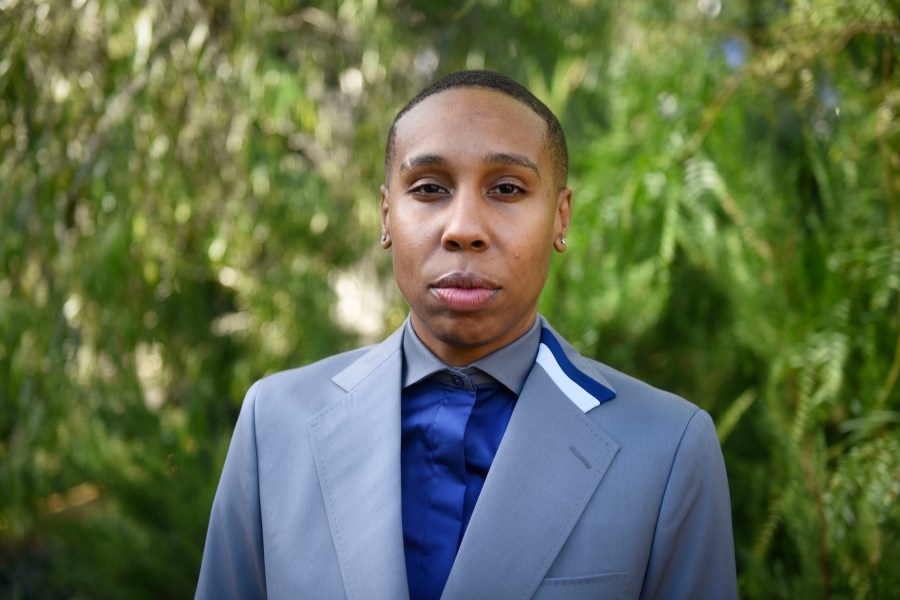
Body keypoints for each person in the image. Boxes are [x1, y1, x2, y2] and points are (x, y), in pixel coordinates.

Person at [196, 70, 738, 599]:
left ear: (560, 217)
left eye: (506, 189)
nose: (463, 229)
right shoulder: (275, 423)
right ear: (386, 214)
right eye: (428, 188)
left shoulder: (667, 448)